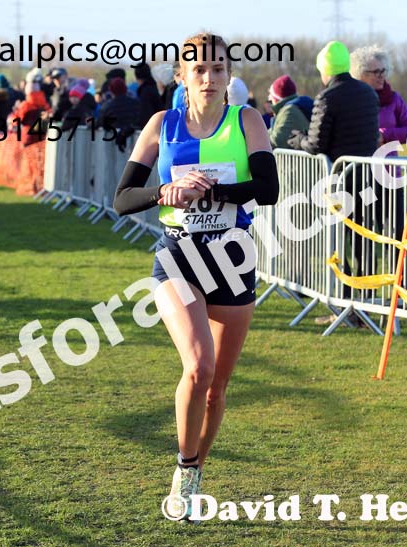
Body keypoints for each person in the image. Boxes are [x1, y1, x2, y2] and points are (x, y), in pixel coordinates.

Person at [113, 32, 279, 522]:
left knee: (216, 388)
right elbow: (123, 198)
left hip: (233, 256)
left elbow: (267, 189)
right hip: (178, 256)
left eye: (218, 69)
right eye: (198, 70)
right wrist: (166, 191)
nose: (209, 78)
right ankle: (185, 469)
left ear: (229, 75)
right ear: (182, 77)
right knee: (198, 365)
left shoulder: (246, 120)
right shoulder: (161, 124)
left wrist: (211, 189)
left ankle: (196, 469)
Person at [288, 41, 379, 306]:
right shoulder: (367, 93)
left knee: (337, 239)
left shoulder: (327, 97)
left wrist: (298, 140)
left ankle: (347, 299)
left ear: (325, 70)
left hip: (340, 179)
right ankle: (366, 296)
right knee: (364, 238)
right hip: (367, 176)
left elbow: (317, 144)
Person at [351, 45, 407, 288]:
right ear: (359, 74)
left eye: (383, 70)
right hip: (360, 179)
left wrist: (385, 135)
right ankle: (365, 294)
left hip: (390, 178)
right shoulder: (354, 100)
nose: (381, 75)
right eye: (375, 71)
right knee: (363, 238)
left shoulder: (394, 99)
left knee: (395, 236)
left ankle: (401, 292)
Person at [266, 75, 311, 149]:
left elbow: (277, 141)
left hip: (296, 160)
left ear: (276, 98)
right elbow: (271, 133)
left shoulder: (289, 111)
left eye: (271, 95)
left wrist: (260, 142)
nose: (269, 98)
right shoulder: (290, 109)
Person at [134, 62, 163, 127]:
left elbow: (145, 116)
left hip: (153, 128)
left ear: (137, 76)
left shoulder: (145, 92)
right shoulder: (154, 86)